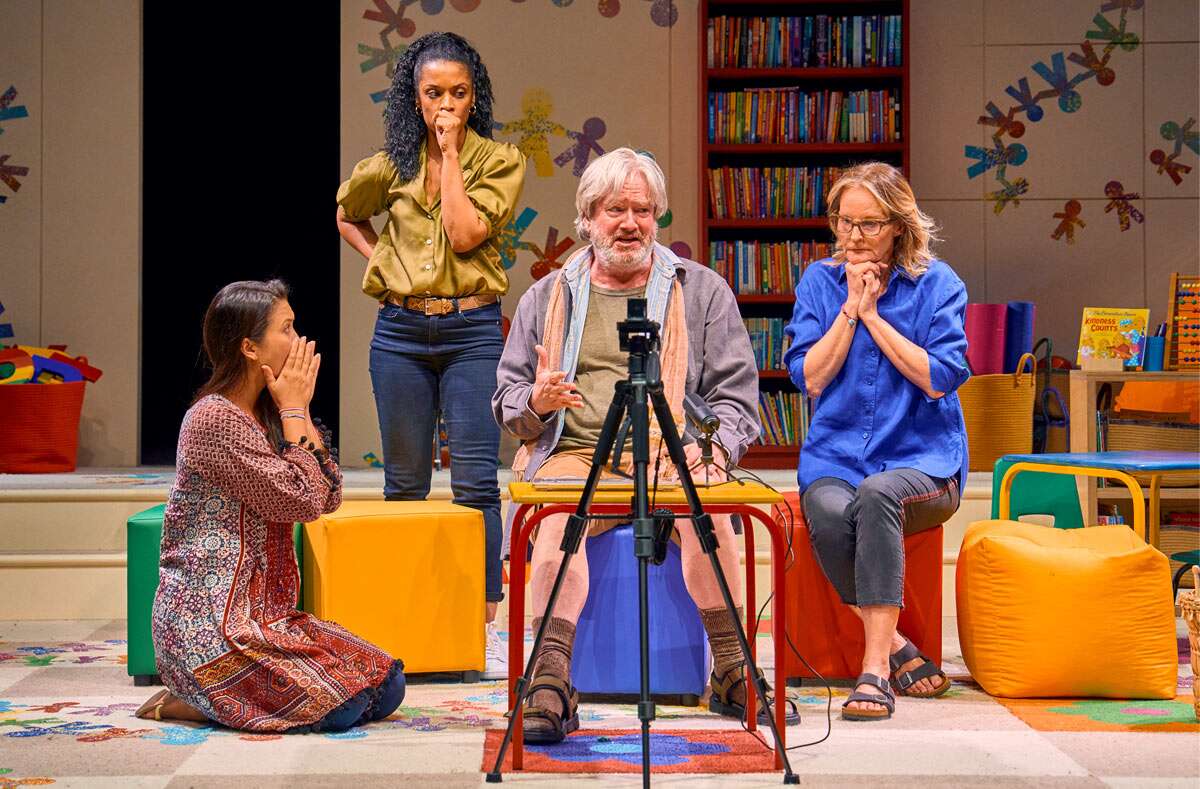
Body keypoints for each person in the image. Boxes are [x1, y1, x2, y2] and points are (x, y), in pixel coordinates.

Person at [493, 148, 798, 744]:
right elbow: (506, 401)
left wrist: (713, 451)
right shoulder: (546, 297)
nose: (629, 223)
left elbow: (738, 397)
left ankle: (733, 670)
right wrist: (538, 402)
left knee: (707, 511)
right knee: (555, 521)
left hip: (673, 451)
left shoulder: (702, 290)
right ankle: (551, 680)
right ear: (587, 217)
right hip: (576, 452)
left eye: (642, 209)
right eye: (614, 210)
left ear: (658, 217)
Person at [335, 32, 526, 679]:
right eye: (433, 93)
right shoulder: (389, 164)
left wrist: (447, 157)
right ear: (413, 99)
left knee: (476, 482)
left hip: (473, 330)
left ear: (475, 98)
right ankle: (405, 617)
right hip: (402, 333)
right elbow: (346, 213)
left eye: (458, 93)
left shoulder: (498, 161)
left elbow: (466, 232)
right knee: (405, 482)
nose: (446, 104)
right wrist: (382, 264)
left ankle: (483, 623)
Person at [139, 280, 405, 732]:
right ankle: (197, 699)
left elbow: (329, 493)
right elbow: (300, 499)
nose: (298, 340)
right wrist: (295, 408)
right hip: (211, 627)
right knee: (340, 708)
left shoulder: (269, 414)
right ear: (248, 346)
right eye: (286, 328)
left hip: (270, 618)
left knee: (386, 685)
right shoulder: (213, 419)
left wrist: (294, 409)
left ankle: (216, 701)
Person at [783, 162, 969, 721]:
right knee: (830, 507)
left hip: (924, 463)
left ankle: (874, 672)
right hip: (836, 458)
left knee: (879, 495)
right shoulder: (819, 282)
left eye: (868, 225)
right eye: (844, 223)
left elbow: (939, 376)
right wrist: (849, 309)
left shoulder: (938, 284)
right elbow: (810, 376)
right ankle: (895, 645)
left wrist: (875, 316)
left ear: (898, 225)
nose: (854, 237)